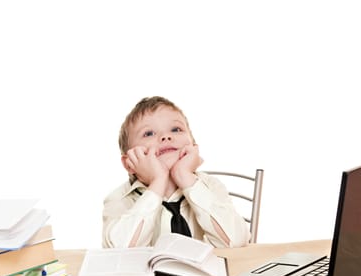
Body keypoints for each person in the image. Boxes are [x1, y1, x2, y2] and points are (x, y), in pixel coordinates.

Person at [102, 96, 250, 248]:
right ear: (129, 163)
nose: (166, 137)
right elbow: (119, 253)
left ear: (193, 146)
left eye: (176, 129)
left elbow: (236, 242)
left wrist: (184, 176)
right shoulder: (118, 199)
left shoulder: (210, 186)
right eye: (149, 133)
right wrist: (158, 182)